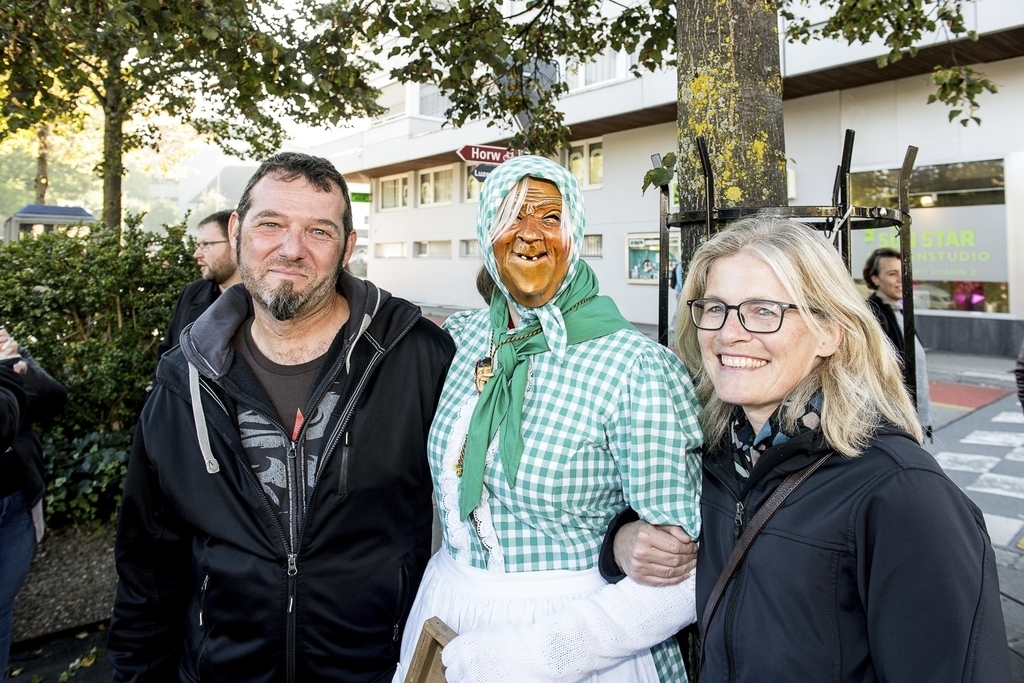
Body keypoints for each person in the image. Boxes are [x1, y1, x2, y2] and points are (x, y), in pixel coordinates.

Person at [606, 217, 1011, 682]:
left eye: (763, 311)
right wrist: (623, 540)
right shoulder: (715, 457)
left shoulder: (902, 492)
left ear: (829, 332)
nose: (729, 333)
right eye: (715, 307)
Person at [107, 152, 455, 681]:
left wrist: (620, 539)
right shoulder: (185, 381)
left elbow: (508, 493)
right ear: (236, 229)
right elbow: (149, 574)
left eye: (319, 230)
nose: (291, 250)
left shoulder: (417, 356)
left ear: (347, 247)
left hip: (376, 669)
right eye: (271, 224)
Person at [394, 155, 702, 683]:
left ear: (575, 233)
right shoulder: (462, 341)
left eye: (550, 218)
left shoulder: (633, 366)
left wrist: (539, 656)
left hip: (579, 642)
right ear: (486, 233)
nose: (530, 236)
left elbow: (682, 571)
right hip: (446, 614)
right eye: (512, 217)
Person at [0, 327, 67, 676]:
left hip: (15, 503)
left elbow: (53, 398)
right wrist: (6, 375)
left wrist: (16, 361)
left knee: (0, 611)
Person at [862, 247, 934, 433]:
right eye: (892, 273)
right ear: (875, 278)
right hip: (895, 418)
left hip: (911, 415)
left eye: (903, 273)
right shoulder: (874, 314)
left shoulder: (900, 311)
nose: (900, 279)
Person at [156, 210, 242, 360]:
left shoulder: (263, 301)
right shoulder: (192, 293)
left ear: (235, 243)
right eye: (198, 245)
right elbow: (167, 354)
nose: (197, 254)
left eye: (206, 245)